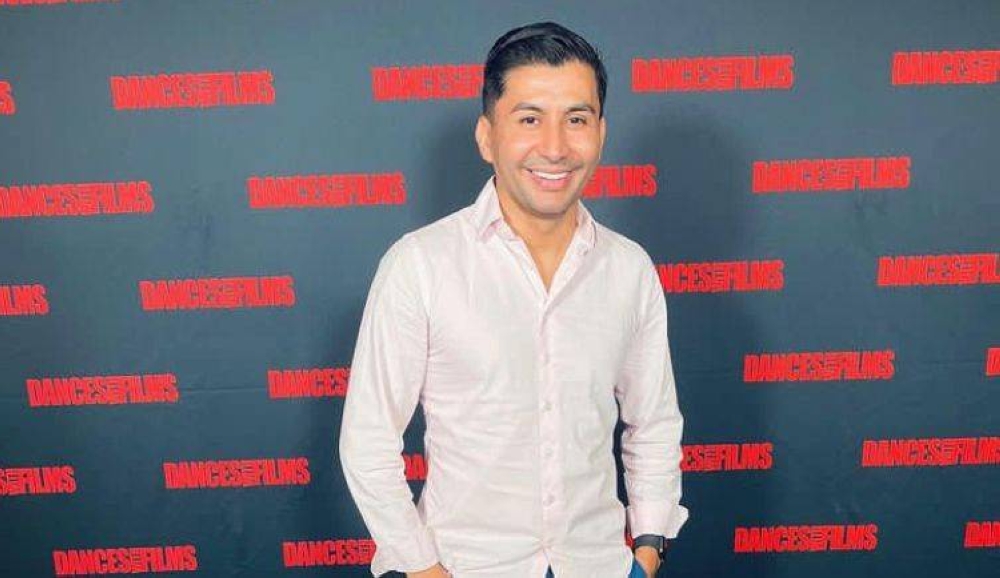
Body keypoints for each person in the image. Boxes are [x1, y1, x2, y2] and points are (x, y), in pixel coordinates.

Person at [339, 21, 687, 578]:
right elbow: (367, 441)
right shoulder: (420, 265)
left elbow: (654, 423)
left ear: (600, 133)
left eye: (576, 119)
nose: (555, 147)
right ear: (486, 136)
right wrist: (423, 569)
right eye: (529, 119)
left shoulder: (629, 270)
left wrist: (647, 549)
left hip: (598, 564)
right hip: (463, 567)